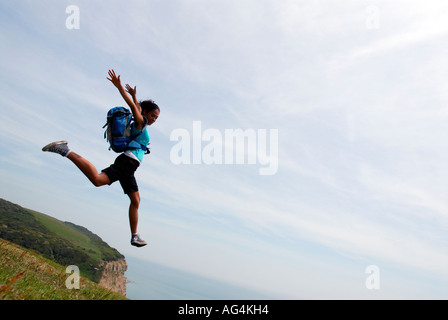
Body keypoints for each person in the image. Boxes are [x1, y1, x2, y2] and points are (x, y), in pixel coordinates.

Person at [42, 69, 160, 247]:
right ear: (146, 113)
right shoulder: (141, 121)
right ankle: (65, 150)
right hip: (127, 162)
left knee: (135, 200)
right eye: (153, 116)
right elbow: (134, 107)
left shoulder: (141, 121)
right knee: (97, 180)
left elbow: (136, 106)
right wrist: (120, 87)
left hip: (130, 166)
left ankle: (134, 235)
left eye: (156, 118)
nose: (154, 120)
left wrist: (135, 96)